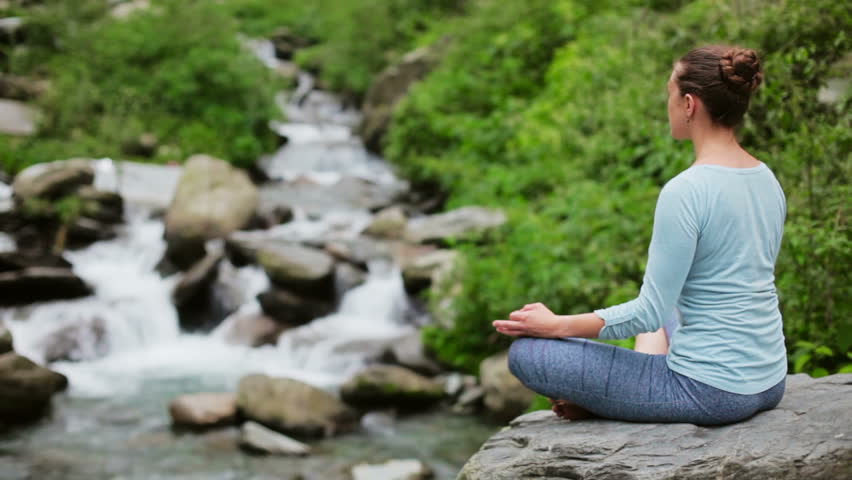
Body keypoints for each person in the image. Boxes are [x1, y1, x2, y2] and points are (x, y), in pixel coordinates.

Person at [492, 45, 788, 426]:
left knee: (528, 354)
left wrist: (556, 324)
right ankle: (627, 399)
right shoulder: (767, 179)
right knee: (670, 315)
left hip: (710, 392)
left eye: (668, 92)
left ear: (688, 103)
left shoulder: (686, 190)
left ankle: (618, 401)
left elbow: (647, 312)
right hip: (770, 379)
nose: (666, 103)